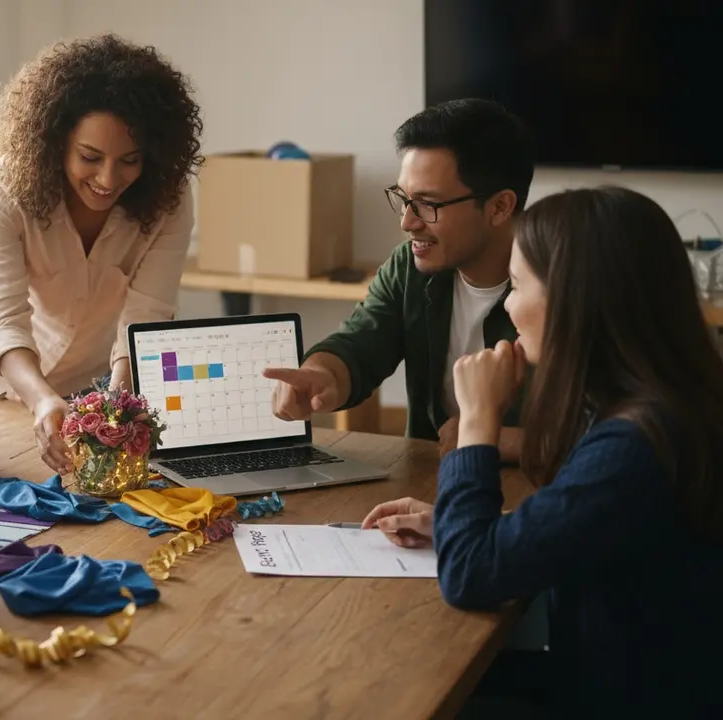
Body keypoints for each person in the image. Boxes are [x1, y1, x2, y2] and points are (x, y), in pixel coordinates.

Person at [362, 187, 723, 715]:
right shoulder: (665, 406)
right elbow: (585, 521)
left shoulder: (635, 446)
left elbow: (471, 576)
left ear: (575, 300)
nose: (509, 306)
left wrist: (479, 421)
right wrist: (454, 524)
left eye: (517, 285)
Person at [0, 33, 204, 475]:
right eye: (90, 157)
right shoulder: (2, 190)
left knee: (72, 481)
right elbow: (4, 320)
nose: (108, 178)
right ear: (56, 141)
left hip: (88, 367)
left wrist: (117, 404)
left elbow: (146, 315)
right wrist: (40, 399)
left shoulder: (168, 201)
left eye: (130, 160)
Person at [265, 98, 534, 460]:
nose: (407, 222)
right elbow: (361, 343)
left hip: (539, 494)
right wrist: (321, 374)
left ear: (500, 207)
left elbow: (619, 431)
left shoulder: (564, 283)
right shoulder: (409, 266)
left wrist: (498, 440)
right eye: (403, 199)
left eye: (428, 204)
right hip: (431, 479)